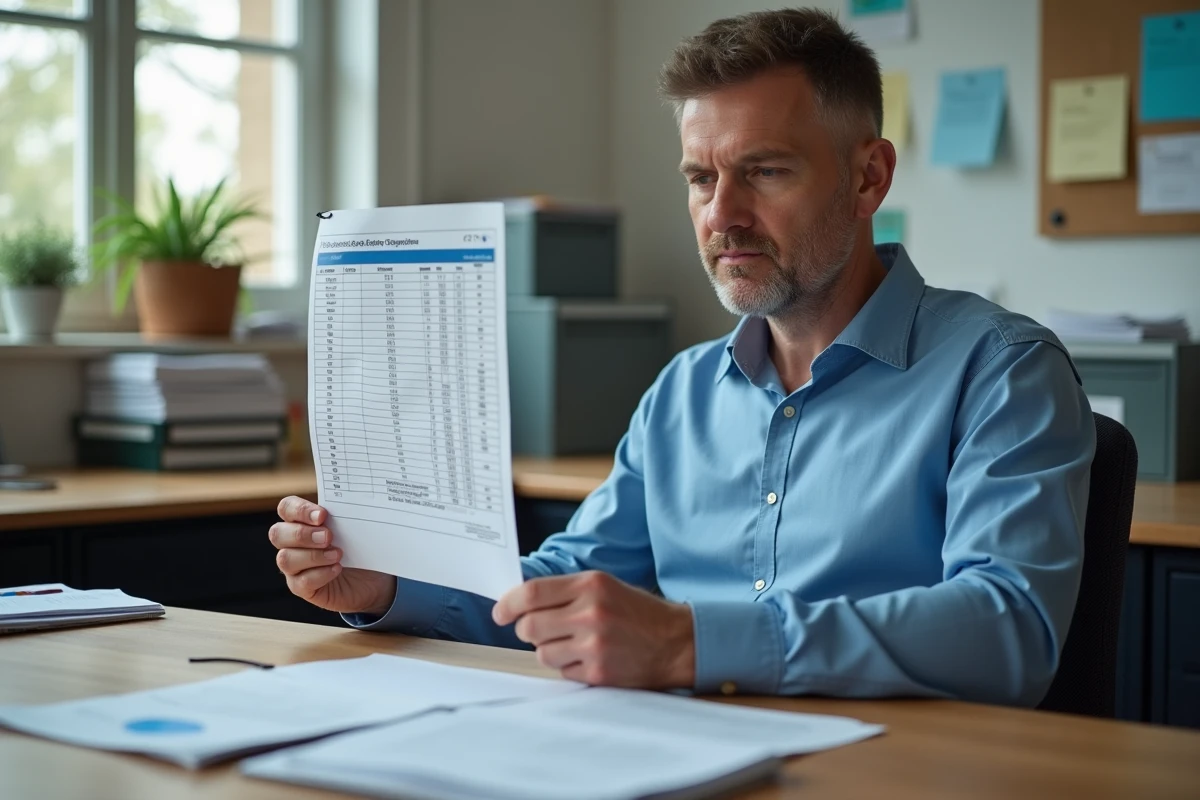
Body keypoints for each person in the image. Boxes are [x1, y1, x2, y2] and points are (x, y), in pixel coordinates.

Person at [270, 7, 1094, 706]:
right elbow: (565, 582)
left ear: (868, 178)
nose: (721, 215)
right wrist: (386, 587)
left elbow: (1006, 627)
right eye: (700, 178)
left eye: (764, 171)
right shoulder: (682, 394)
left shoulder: (1003, 371)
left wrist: (694, 642)